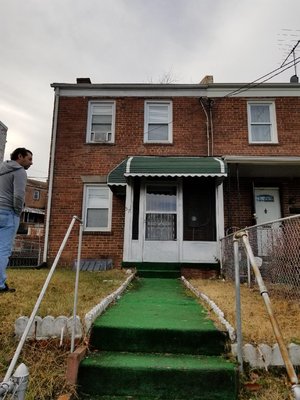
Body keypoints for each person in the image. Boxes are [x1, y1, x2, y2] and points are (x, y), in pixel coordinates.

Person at [0, 147, 33, 293]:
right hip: (8, 213)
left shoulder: (1, 168)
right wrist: (17, 212)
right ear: (20, 156)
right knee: (3, 250)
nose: (31, 163)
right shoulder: (19, 171)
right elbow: (18, 195)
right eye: (29, 159)